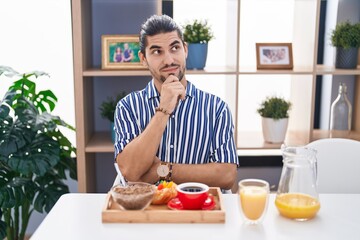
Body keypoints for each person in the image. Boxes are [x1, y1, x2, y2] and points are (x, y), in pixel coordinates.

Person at [114, 14, 238, 190]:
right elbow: (130, 172)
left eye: (174, 48)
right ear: (143, 59)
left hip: (200, 211)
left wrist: (163, 170)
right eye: (157, 51)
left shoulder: (217, 108)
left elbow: (227, 175)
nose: (169, 60)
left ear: (185, 50)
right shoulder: (128, 107)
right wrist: (163, 110)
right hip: (147, 210)